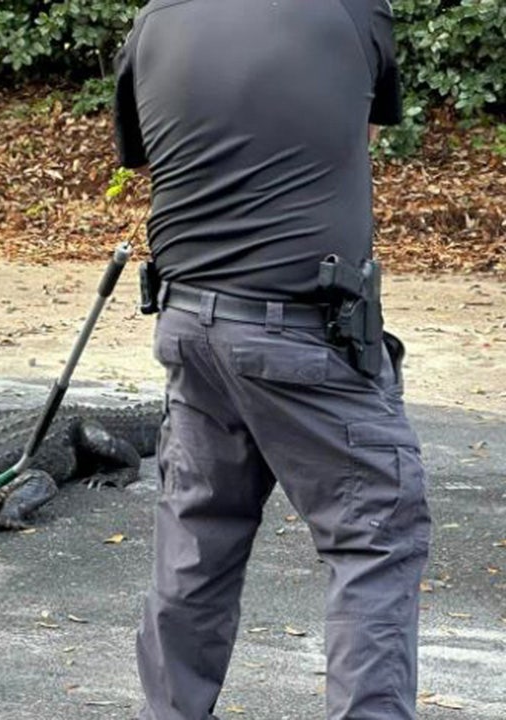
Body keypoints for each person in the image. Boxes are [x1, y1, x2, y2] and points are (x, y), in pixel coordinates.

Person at [113, 0, 431, 718]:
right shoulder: (353, 10)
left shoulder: (156, 18)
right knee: (375, 537)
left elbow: (141, 155)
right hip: (304, 332)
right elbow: (357, 126)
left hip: (191, 325)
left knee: (196, 542)